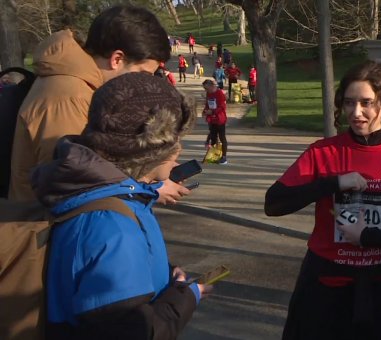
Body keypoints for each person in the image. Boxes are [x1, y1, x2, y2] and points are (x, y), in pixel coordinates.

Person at [265, 60, 381, 339]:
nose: (356, 113)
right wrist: (333, 183)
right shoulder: (323, 152)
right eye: (349, 103)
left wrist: (367, 236)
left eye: (366, 103)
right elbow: (274, 204)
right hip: (326, 281)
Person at [31, 72, 211, 339]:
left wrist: (165, 274)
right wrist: (184, 300)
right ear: (150, 148)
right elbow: (130, 330)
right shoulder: (111, 227)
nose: (179, 151)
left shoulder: (120, 196)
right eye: (175, 141)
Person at [10, 5, 189, 205]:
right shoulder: (69, 96)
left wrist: (154, 164)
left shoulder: (81, 86)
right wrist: (149, 187)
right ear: (117, 59)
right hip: (48, 228)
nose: (146, 85)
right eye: (144, 74)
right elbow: (76, 180)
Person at [202, 79, 228, 164]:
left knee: (222, 137)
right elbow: (207, 104)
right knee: (213, 137)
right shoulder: (208, 93)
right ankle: (213, 155)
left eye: (207, 88)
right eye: (205, 89)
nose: (206, 90)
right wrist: (205, 111)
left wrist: (213, 111)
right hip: (212, 119)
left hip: (220, 119)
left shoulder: (219, 93)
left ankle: (224, 157)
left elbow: (222, 106)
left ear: (211, 86)